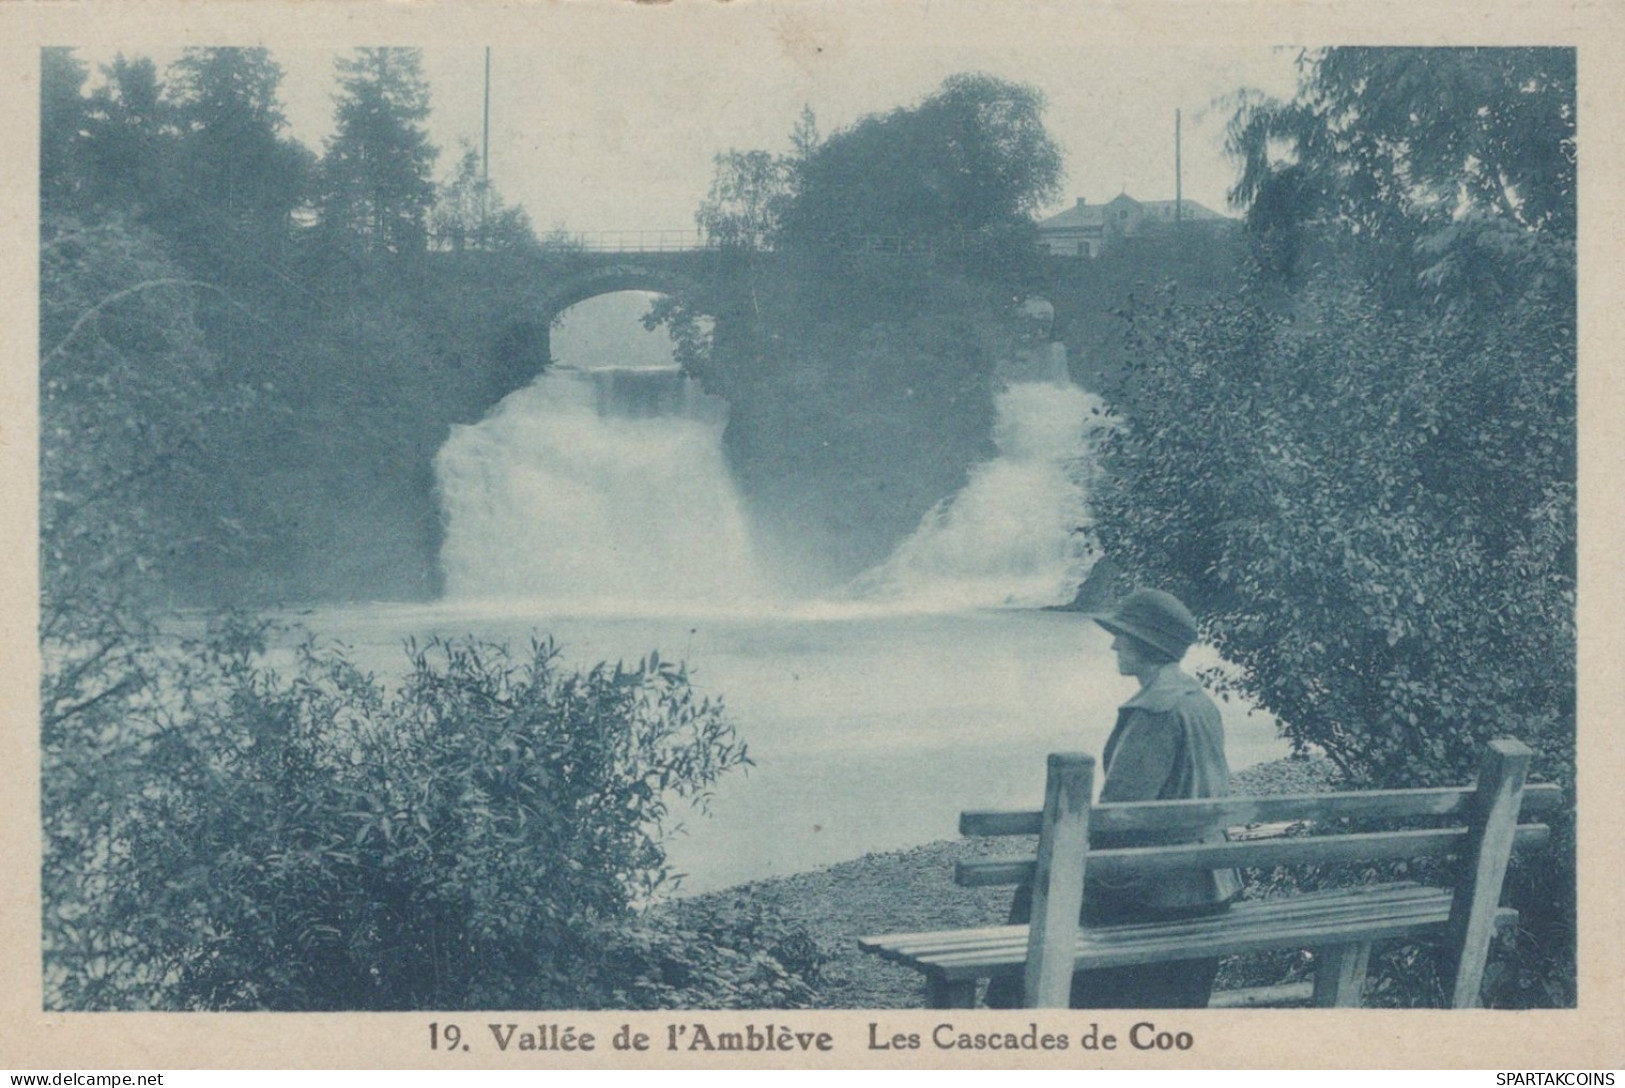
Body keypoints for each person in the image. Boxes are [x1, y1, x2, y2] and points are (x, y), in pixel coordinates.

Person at [985, 587, 1240, 1008]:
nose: (1114, 644)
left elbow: (1117, 820)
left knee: (1041, 884)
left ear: (1145, 643)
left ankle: (1016, 1013)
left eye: (1123, 635)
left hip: (1168, 890)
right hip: (1211, 879)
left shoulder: (1153, 712)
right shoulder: (1199, 702)